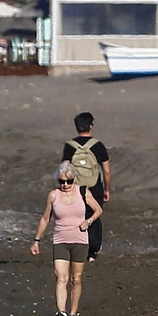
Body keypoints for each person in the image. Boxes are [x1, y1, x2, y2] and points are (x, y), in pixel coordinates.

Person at [31, 162, 103, 316]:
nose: (65, 184)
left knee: (76, 279)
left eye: (68, 181)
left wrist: (88, 221)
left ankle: (73, 315)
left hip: (80, 241)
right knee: (61, 277)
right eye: (61, 181)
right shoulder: (53, 195)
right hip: (60, 241)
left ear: (74, 179)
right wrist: (36, 240)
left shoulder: (83, 192)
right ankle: (61, 313)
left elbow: (98, 210)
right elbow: (45, 219)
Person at [61, 112, 111, 262]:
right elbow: (106, 171)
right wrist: (107, 189)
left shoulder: (69, 146)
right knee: (94, 215)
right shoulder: (98, 146)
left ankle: (78, 248)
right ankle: (93, 252)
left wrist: (63, 188)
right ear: (90, 126)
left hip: (75, 187)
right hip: (95, 186)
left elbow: (64, 169)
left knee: (76, 216)